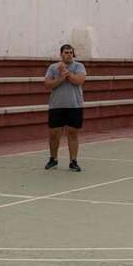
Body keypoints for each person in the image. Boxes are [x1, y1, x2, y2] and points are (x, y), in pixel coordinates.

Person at [44, 44, 86, 172]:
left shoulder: (79, 66)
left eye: (70, 52)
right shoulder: (53, 68)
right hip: (56, 106)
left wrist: (67, 73)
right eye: (66, 52)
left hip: (75, 106)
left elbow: (79, 81)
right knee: (54, 134)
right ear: (61, 54)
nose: (69, 55)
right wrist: (61, 78)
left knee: (73, 134)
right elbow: (48, 84)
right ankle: (53, 159)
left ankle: (73, 161)